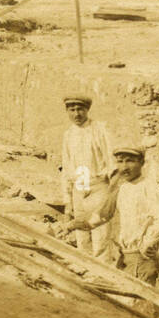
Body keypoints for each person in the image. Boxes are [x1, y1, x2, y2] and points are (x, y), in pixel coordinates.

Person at [62, 146, 159, 282]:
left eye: (130, 161)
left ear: (142, 163)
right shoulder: (122, 188)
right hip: (125, 258)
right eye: (120, 161)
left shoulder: (148, 187)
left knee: (141, 301)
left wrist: (149, 241)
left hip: (142, 259)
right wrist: (73, 225)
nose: (124, 167)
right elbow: (99, 217)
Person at [59, 94, 115, 262]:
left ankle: (103, 273)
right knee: (81, 233)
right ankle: (84, 268)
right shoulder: (68, 135)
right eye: (72, 110)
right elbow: (66, 166)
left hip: (98, 185)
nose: (76, 114)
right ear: (67, 111)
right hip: (79, 187)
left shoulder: (99, 129)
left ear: (87, 110)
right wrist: (67, 199)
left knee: (101, 234)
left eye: (80, 109)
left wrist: (111, 189)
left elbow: (111, 159)